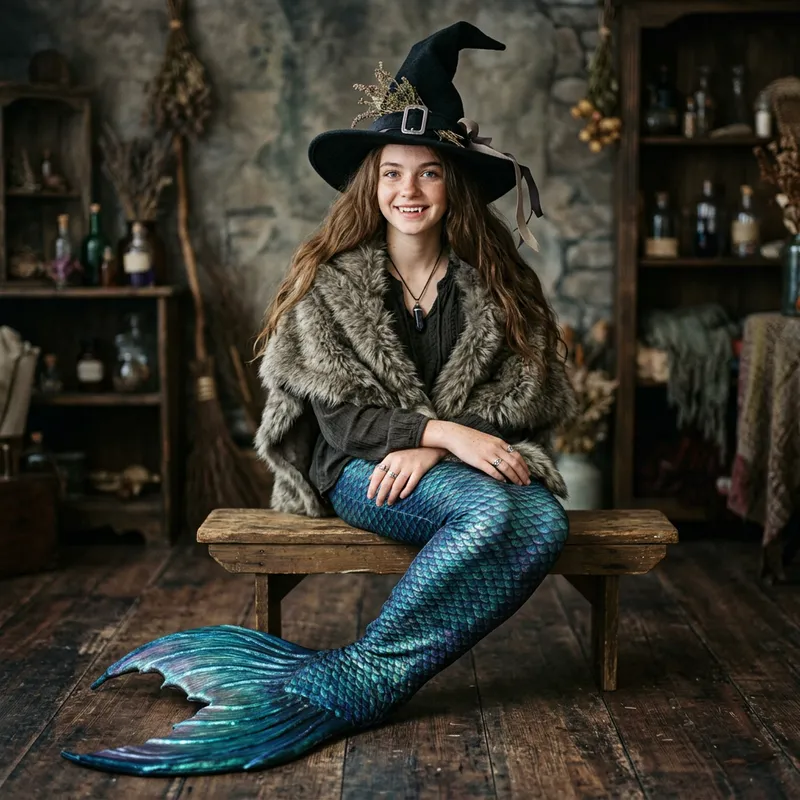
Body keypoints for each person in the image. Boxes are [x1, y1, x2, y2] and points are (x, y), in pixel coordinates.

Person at [61, 21, 576, 776]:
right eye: (392, 173)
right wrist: (436, 434)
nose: (409, 191)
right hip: (358, 468)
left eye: (429, 173)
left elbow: (524, 396)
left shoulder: (496, 284)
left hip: (448, 464)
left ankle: (354, 676)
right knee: (492, 512)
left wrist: (437, 442)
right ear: (371, 182)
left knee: (543, 519)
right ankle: (365, 678)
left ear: (454, 185)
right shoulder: (330, 283)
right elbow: (338, 417)